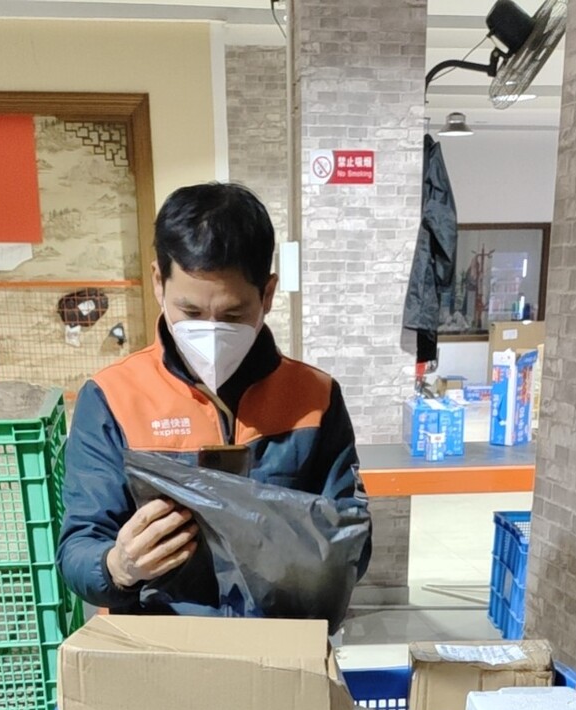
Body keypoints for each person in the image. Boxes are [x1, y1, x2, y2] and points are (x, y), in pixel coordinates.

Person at [56, 181, 371, 617]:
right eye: (190, 312)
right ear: (159, 282)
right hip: (162, 642)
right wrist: (117, 566)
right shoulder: (113, 398)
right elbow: (78, 547)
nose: (211, 331)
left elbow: (354, 543)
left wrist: (294, 547)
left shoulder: (315, 398)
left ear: (268, 294)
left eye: (233, 314)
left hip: (279, 641)